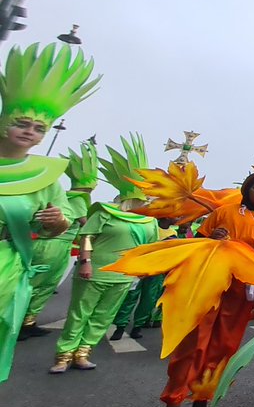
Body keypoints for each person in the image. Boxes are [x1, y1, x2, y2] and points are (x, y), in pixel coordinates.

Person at [0, 42, 98, 384]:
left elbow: (61, 223)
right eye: (23, 123)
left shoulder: (46, 175)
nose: (30, 131)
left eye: (40, 128)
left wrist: (58, 223)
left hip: (7, 264)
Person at [157, 167, 254, 407]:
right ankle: (173, 403)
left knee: (224, 345)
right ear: (247, 188)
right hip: (210, 283)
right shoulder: (223, 213)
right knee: (192, 343)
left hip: (241, 291)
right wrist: (214, 237)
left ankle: (202, 399)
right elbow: (198, 243)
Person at [50, 135, 159, 373]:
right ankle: (63, 354)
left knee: (103, 316)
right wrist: (86, 262)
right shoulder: (105, 212)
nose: (150, 199)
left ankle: (83, 352)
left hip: (122, 276)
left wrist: (140, 271)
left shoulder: (149, 222)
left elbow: (147, 250)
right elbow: (87, 236)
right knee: (79, 314)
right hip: (94, 271)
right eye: (146, 194)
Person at [22, 142, 97, 340]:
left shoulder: (65, 196)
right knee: (43, 284)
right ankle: (26, 323)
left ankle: (23, 320)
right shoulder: (80, 200)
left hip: (42, 243)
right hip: (56, 245)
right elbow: (86, 225)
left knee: (28, 282)